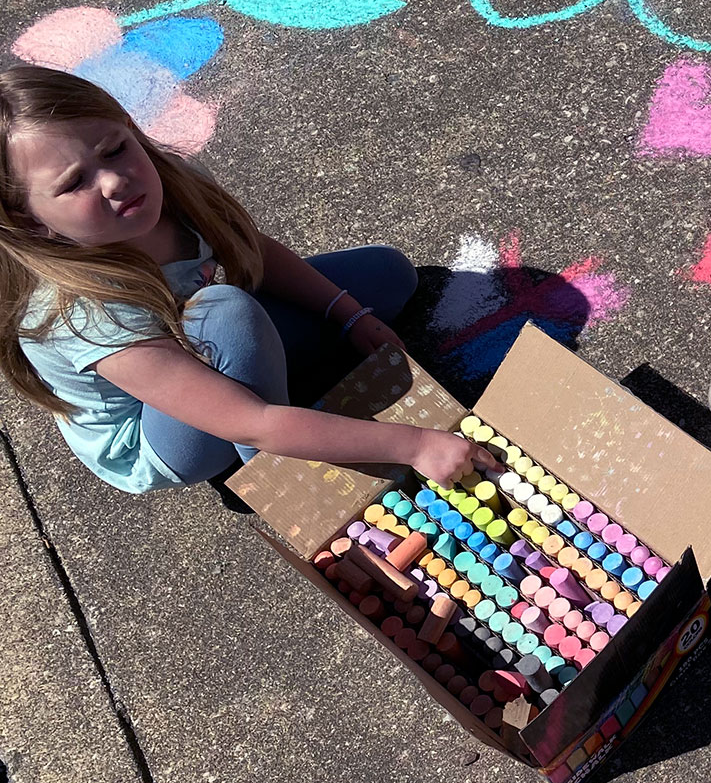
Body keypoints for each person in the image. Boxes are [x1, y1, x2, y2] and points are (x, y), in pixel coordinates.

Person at [0, 65, 495, 495]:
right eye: (72, 183)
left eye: (114, 149)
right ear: (28, 220)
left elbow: (250, 249)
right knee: (226, 313)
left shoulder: (173, 183)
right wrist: (414, 444)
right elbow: (249, 422)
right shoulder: (81, 311)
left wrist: (346, 313)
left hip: (206, 332)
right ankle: (275, 459)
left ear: (131, 128)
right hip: (165, 434)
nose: (112, 181)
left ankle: (280, 389)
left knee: (388, 275)